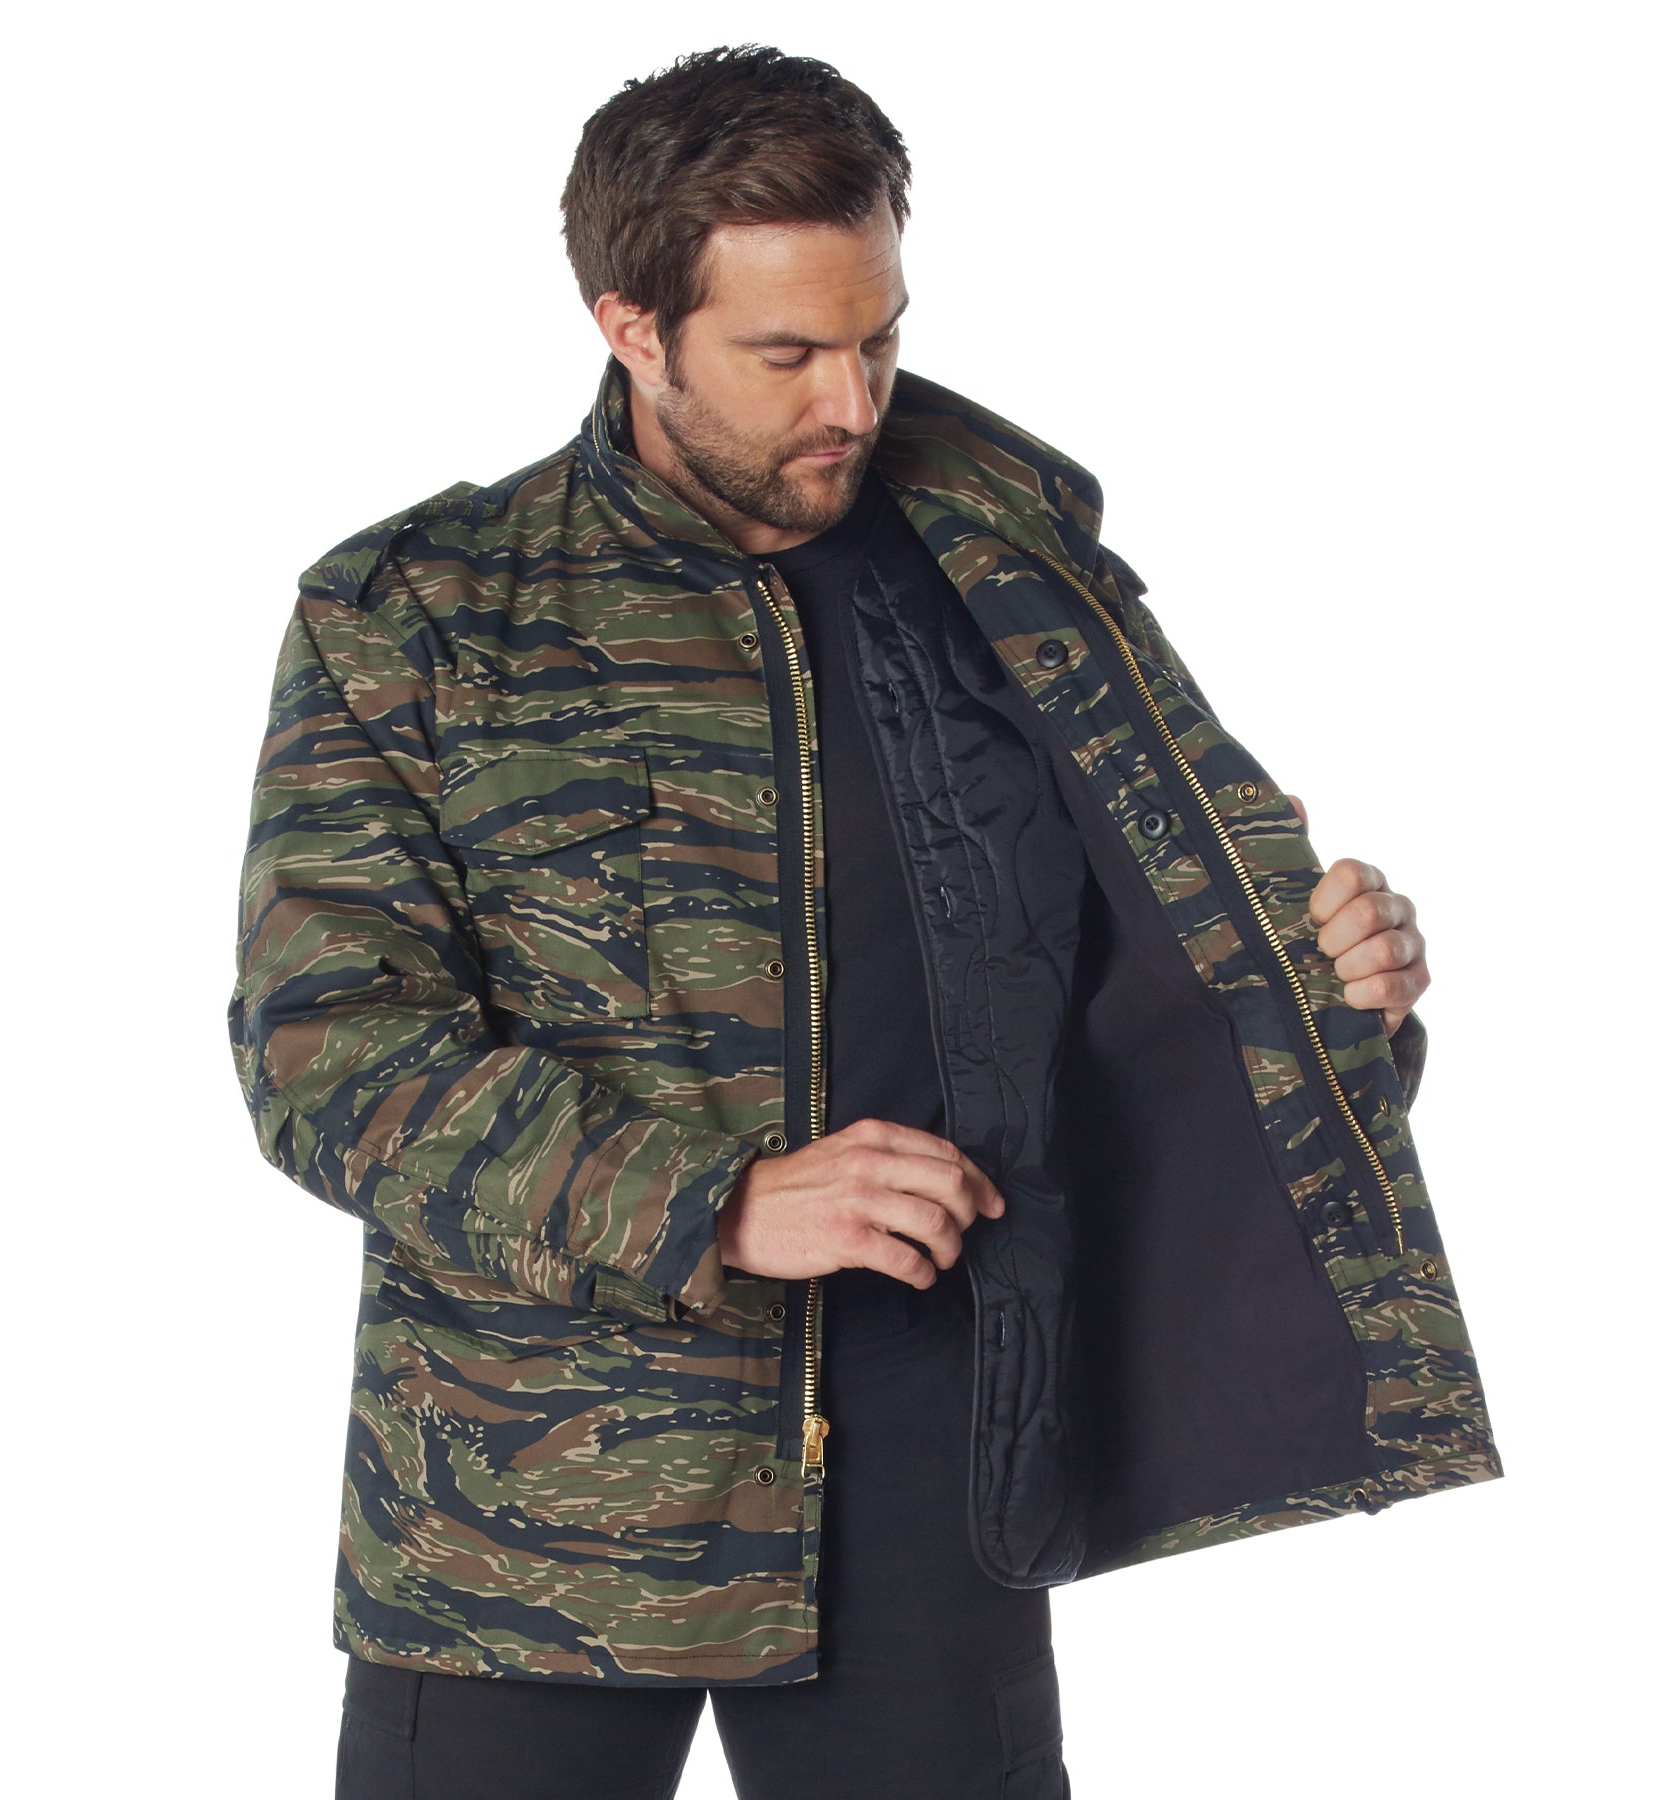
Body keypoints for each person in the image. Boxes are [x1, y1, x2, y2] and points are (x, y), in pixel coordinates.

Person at [227, 43, 1501, 1800]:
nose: (852, 398)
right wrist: (724, 1201)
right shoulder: (421, 613)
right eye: (787, 355)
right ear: (631, 326)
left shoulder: (1007, 568)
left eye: (880, 337)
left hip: (933, 1461)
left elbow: (1144, 967)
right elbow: (327, 1057)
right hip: (533, 1500)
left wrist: (1336, 998)